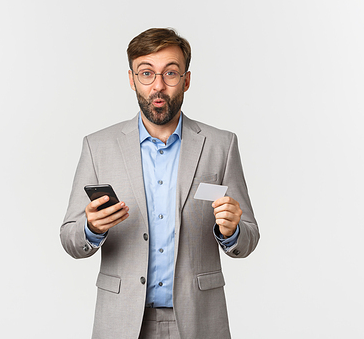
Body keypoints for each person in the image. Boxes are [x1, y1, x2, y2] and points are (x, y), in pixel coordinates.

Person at [60, 27, 259, 339]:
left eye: (171, 73)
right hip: (122, 321)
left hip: (199, 320)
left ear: (186, 80)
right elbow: (70, 238)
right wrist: (92, 228)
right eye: (146, 73)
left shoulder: (221, 145)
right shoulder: (97, 146)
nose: (159, 86)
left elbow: (249, 238)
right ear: (131, 80)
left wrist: (232, 231)